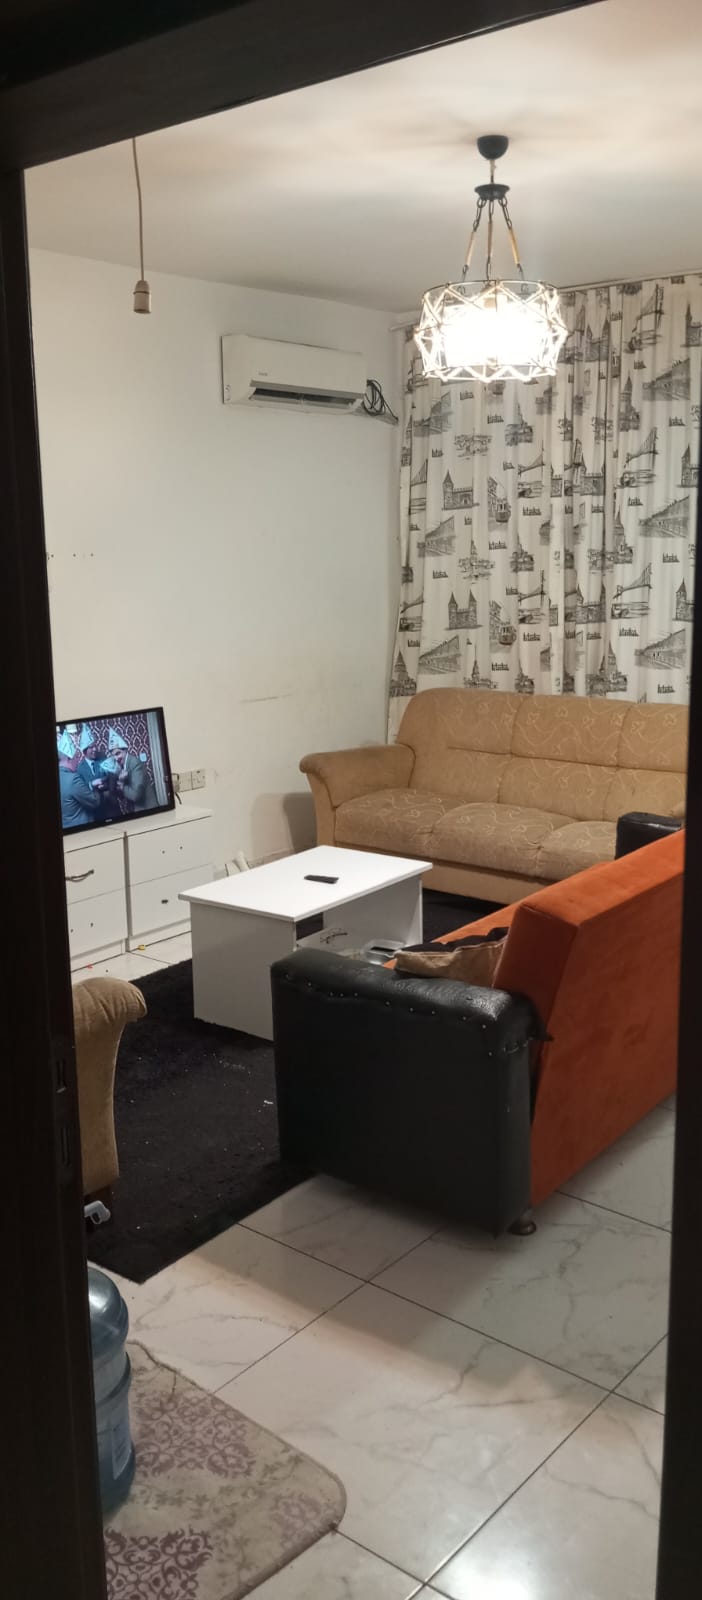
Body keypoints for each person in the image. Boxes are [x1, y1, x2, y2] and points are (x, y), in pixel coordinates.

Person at [57, 725, 103, 829]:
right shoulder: (73, 779)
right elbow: (94, 801)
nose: (77, 761)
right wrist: (95, 787)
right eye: (75, 758)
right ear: (69, 758)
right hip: (81, 828)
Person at [107, 728, 158, 814]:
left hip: (147, 809)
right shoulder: (120, 766)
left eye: (118, 753)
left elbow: (135, 795)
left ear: (125, 750)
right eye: (113, 756)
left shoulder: (135, 763)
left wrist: (121, 785)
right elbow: (119, 795)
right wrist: (119, 780)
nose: (116, 758)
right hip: (135, 811)